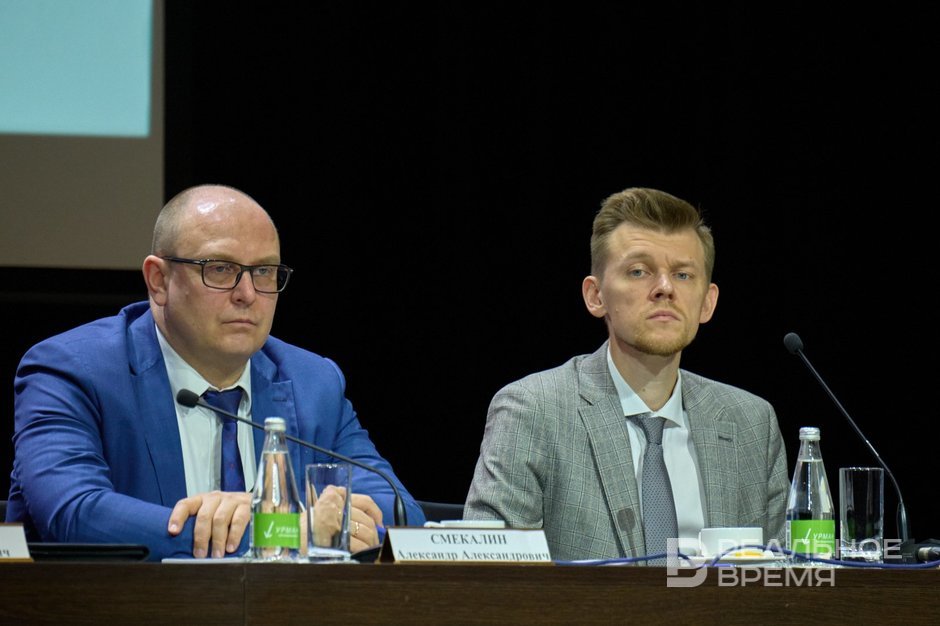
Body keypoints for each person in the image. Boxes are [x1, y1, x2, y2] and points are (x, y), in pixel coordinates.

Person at [5, 184, 425, 560]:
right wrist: (277, 530)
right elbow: (75, 515)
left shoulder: (312, 382)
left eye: (264, 272)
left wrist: (321, 523)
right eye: (221, 269)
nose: (247, 294)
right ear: (158, 280)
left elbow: (401, 512)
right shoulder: (74, 371)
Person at [463, 187, 788, 562]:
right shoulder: (534, 411)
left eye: (683, 275)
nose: (664, 288)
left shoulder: (751, 423)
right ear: (595, 296)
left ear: (707, 302)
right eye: (638, 271)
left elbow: (786, 577)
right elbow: (487, 575)